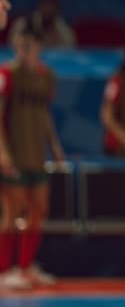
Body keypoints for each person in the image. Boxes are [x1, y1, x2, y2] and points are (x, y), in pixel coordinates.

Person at [0, 26, 66, 290]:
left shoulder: (46, 76)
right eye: (21, 45)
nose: (26, 50)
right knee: (12, 210)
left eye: (31, 45)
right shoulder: (6, 74)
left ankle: (26, 266)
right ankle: (4, 269)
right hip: (12, 153)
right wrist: (2, 152)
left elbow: (45, 114)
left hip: (36, 154)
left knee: (39, 208)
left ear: (39, 47)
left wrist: (55, 146)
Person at [7, 0, 75, 49]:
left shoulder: (62, 28)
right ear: (40, 7)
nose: (48, 10)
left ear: (57, 10)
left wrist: (56, 42)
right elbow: (11, 45)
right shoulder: (24, 22)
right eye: (46, 7)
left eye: (51, 10)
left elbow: (71, 49)